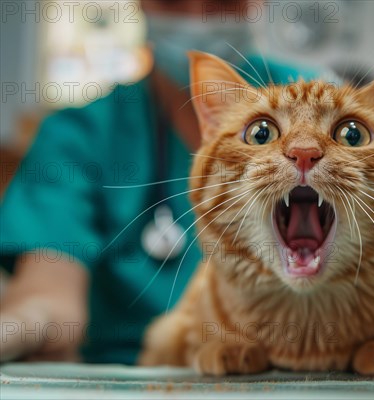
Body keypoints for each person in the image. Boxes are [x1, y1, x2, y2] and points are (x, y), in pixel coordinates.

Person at [0, 0, 319, 364]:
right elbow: (48, 292)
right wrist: (23, 322)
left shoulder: (328, 108)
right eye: (173, 1)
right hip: (127, 375)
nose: (198, 19)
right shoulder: (82, 134)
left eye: (222, 2)